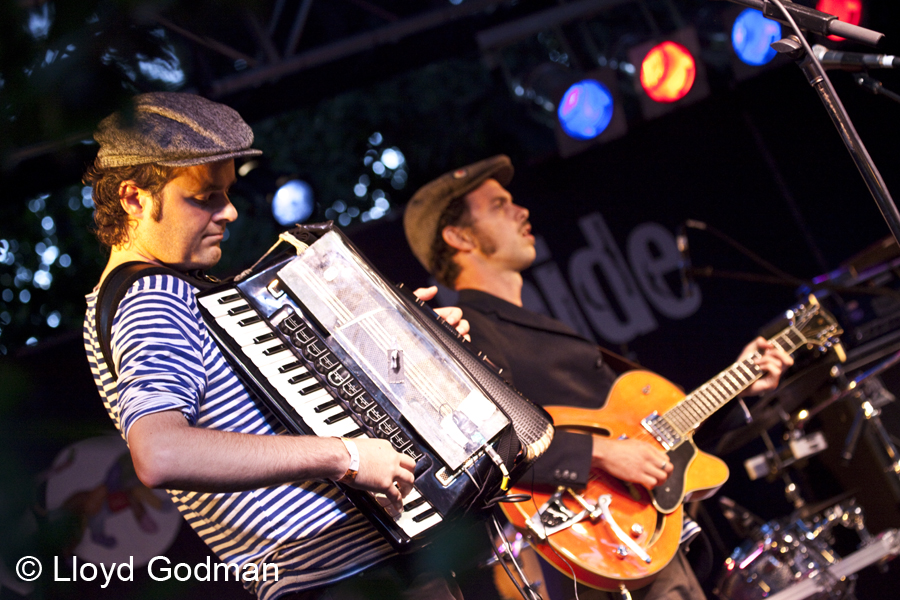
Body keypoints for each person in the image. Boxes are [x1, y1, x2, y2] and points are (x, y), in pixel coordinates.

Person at [82, 92, 470, 600]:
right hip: (332, 575)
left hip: (343, 570)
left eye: (227, 192)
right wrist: (346, 456)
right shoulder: (153, 296)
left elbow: (286, 409)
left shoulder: (150, 297)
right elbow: (160, 450)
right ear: (134, 199)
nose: (231, 212)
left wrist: (406, 349)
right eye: (205, 196)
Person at [402, 155, 794, 600]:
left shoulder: (537, 324)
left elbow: (652, 437)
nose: (522, 211)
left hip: (639, 537)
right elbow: (478, 444)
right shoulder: (469, 331)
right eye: (498, 205)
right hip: (586, 549)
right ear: (458, 237)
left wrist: (741, 384)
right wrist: (599, 453)